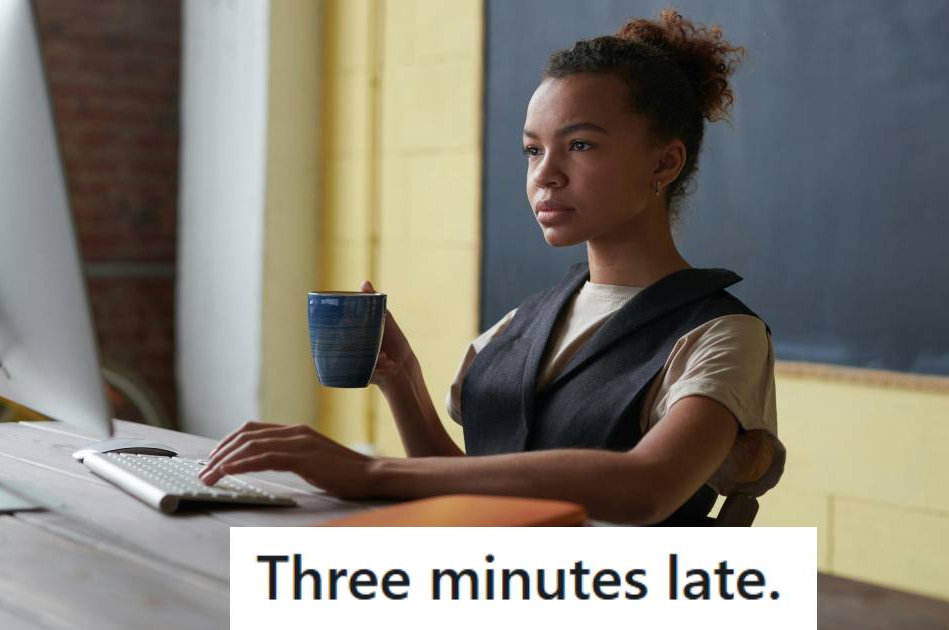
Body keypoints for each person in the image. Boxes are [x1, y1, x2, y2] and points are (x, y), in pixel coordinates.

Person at [199, 9, 785, 525]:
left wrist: (369, 472)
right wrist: (405, 387)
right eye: (533, 149)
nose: (544, 175)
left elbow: (646, 489)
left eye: (579, 145)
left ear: (666, 161)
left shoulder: (722, 335)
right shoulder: (519, 326)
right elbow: (475, 489)